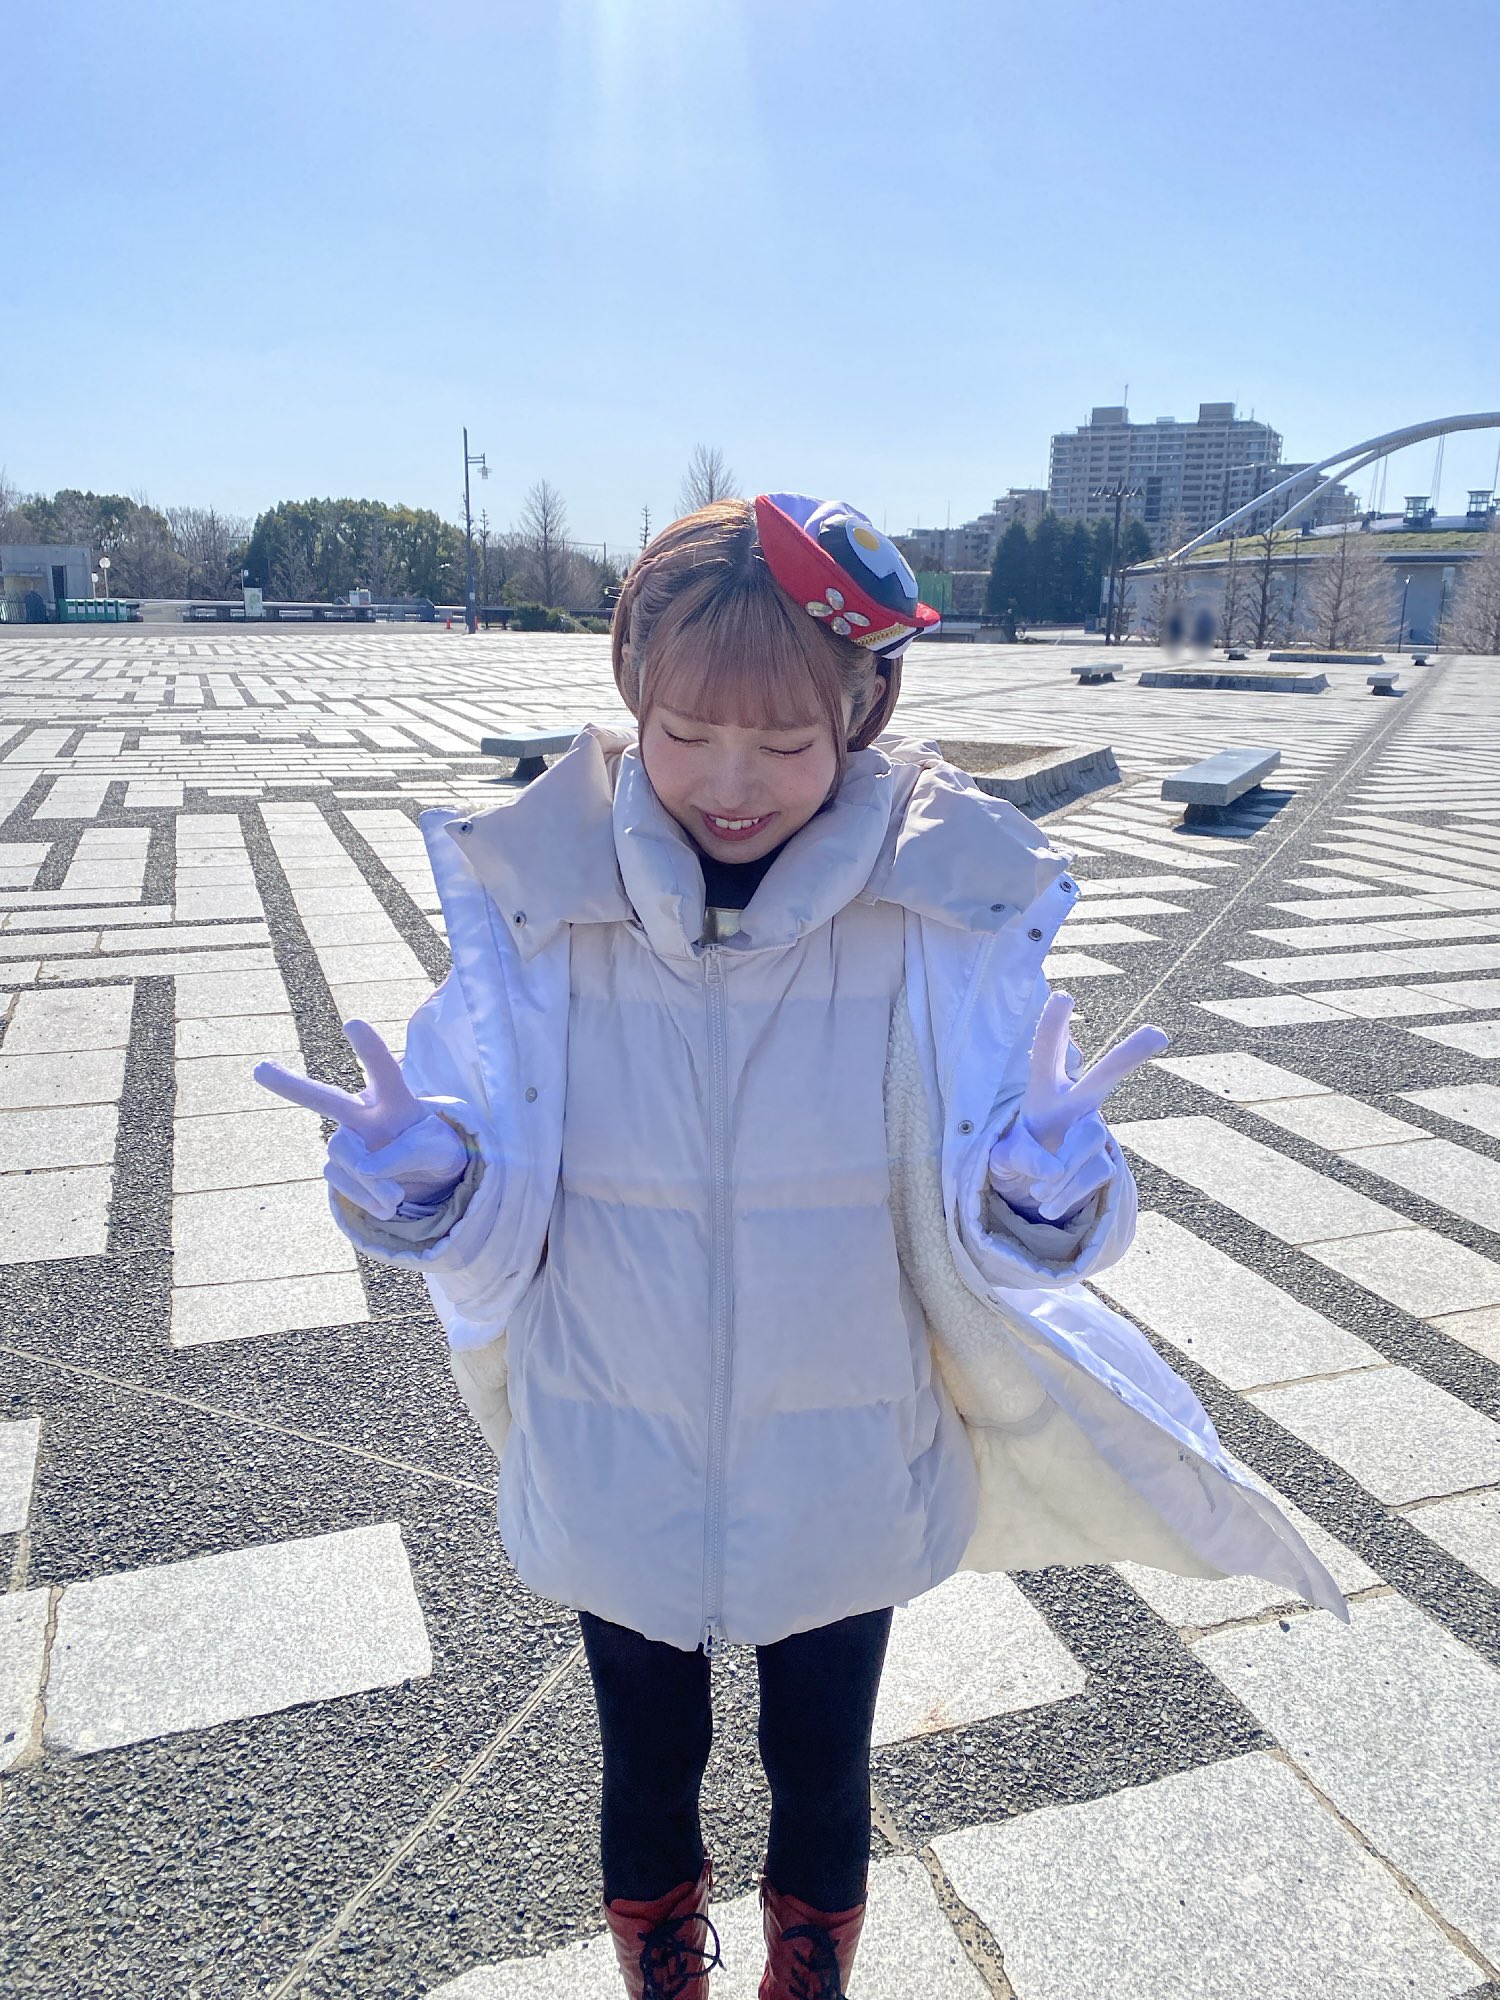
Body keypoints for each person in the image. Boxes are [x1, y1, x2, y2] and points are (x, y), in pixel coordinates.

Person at [255, 494, 1340, 2000]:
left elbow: (989, 1216)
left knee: (823, 1768)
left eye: (781, 742)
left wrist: (1038, 1192)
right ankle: (665, 1964)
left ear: (860, 715)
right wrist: (422, 1175)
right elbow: (481, 1177)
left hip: (845, 1452)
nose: (730, 781)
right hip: (612, 1439)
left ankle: (808, 1969)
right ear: (634, 702)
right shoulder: (545, 913)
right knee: (644, 1765)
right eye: (688, 733)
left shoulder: (929, 926)